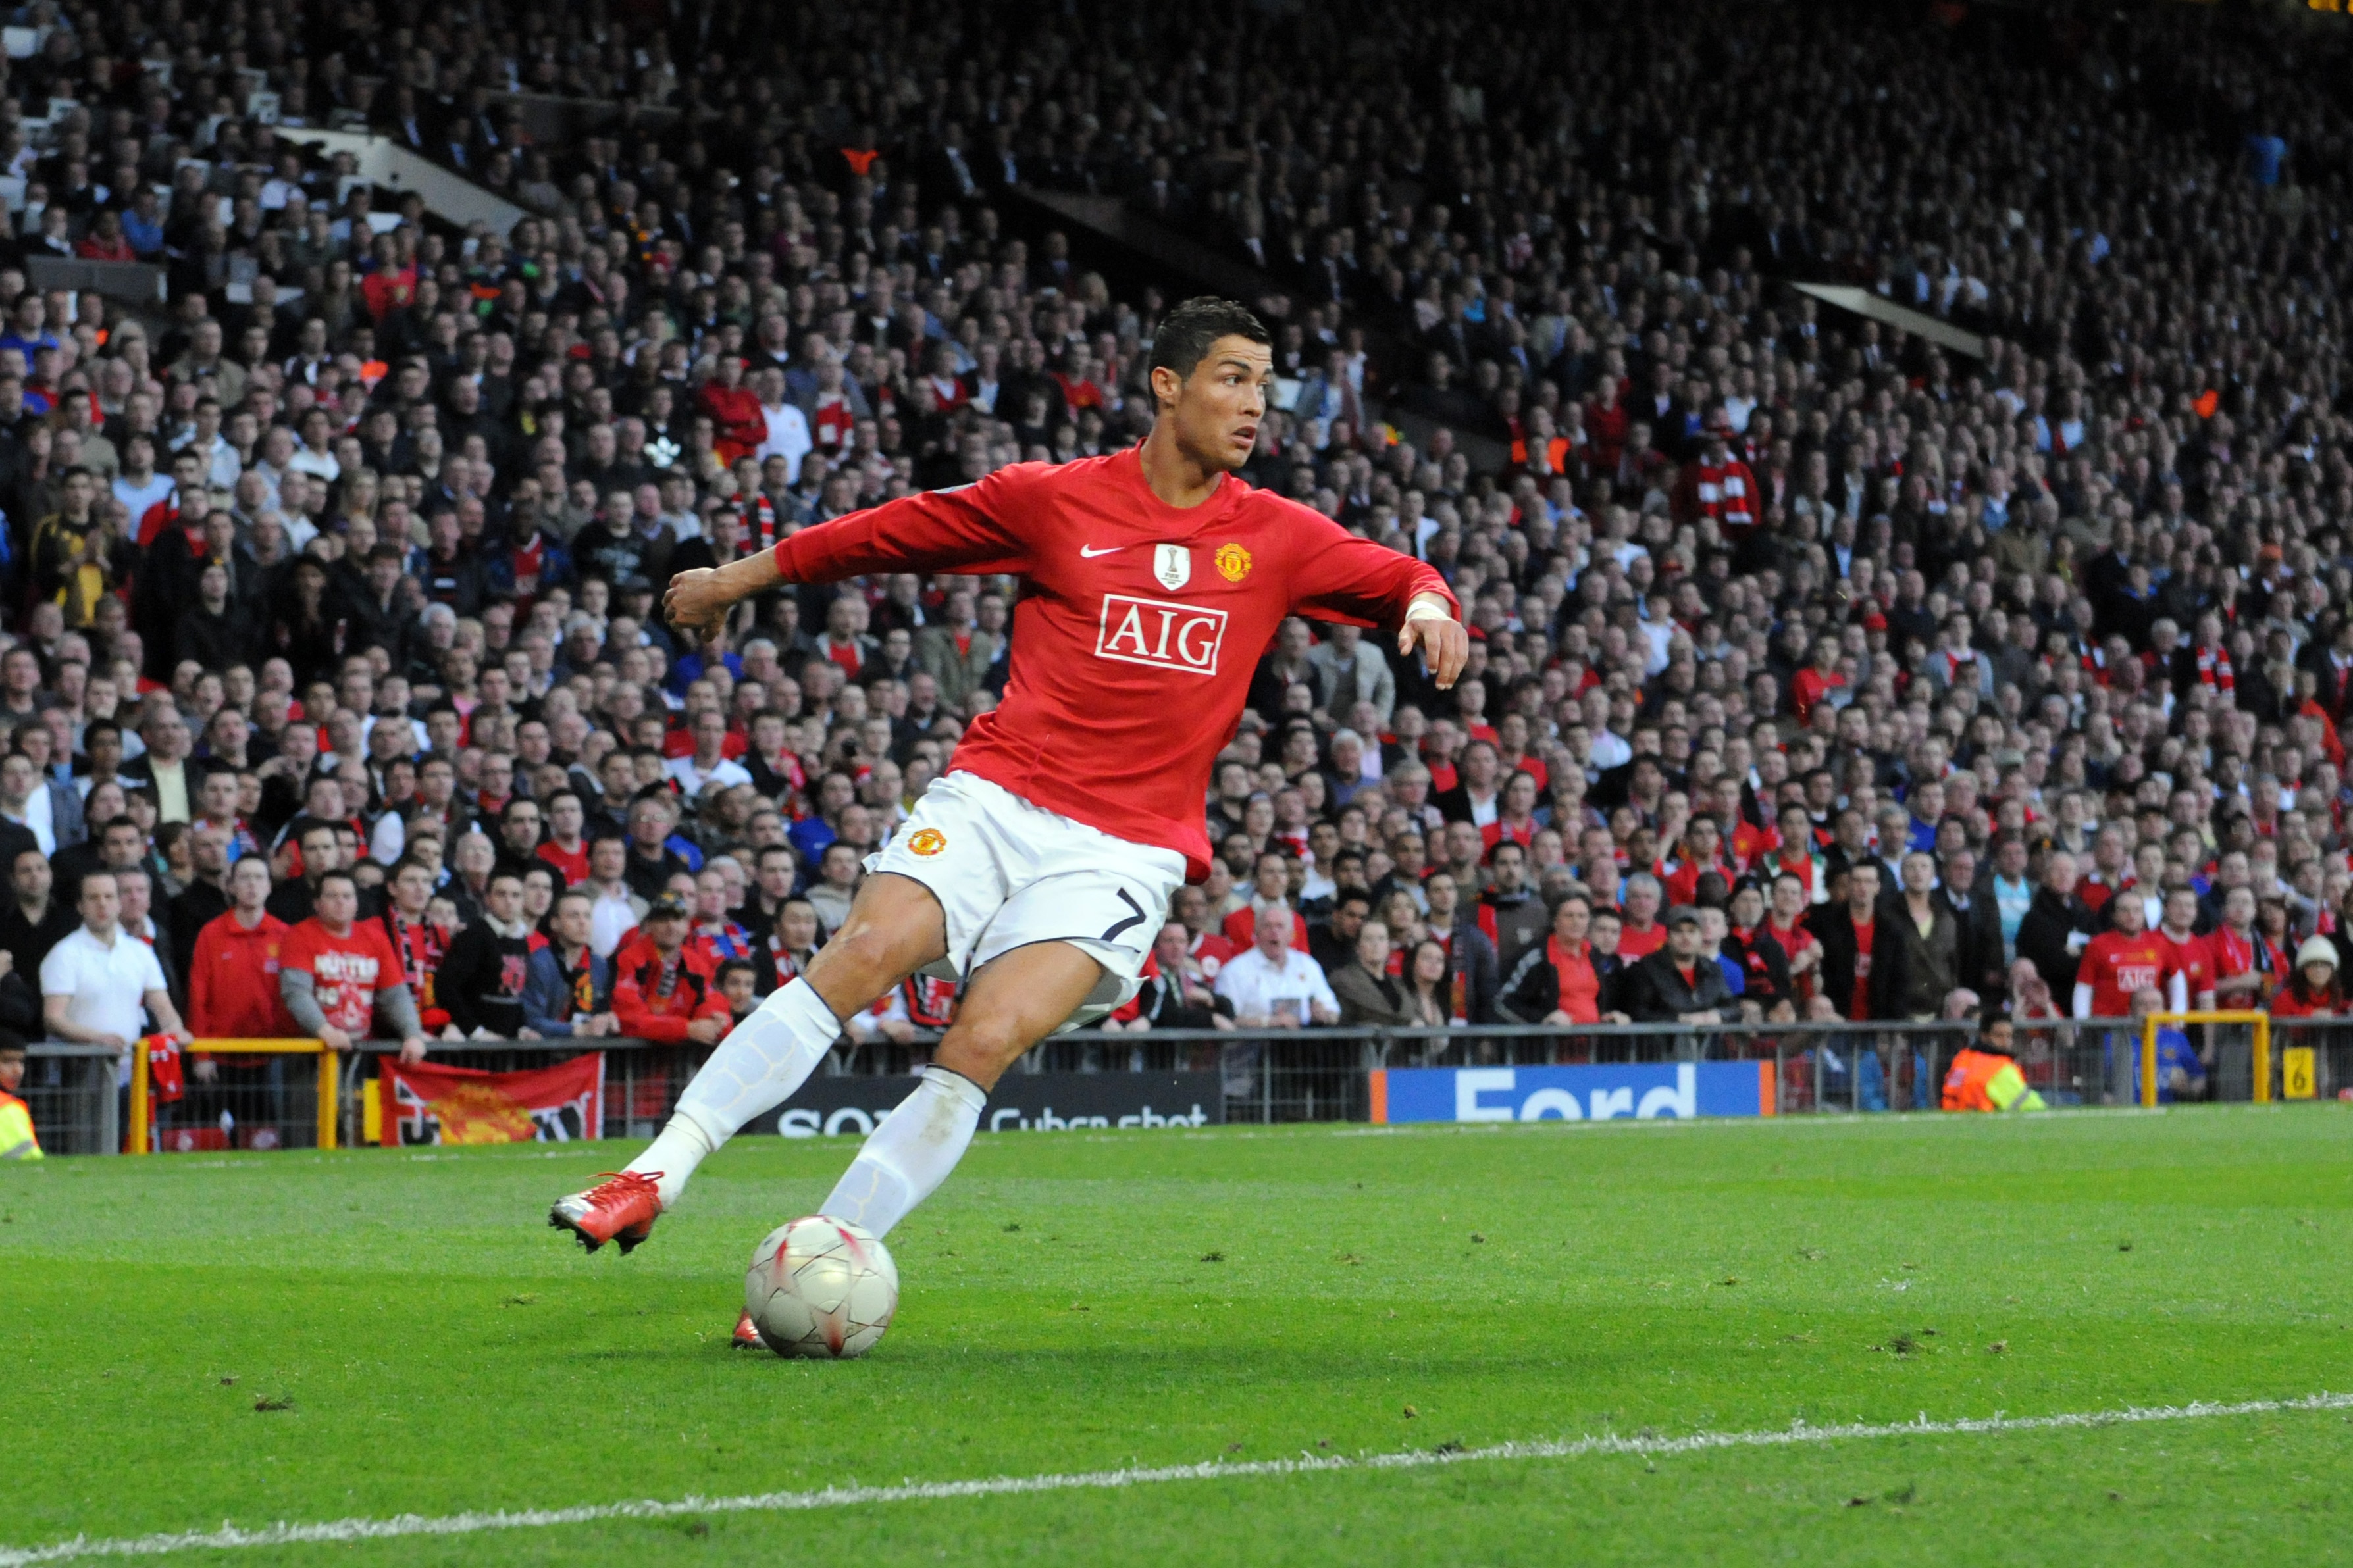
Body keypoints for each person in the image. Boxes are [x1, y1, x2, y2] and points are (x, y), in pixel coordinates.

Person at [554, 296, 1465, 1252]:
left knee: (981, 1040)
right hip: (997, 794)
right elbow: (893, 530)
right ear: (1167, 385)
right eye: (1232, 379)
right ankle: (652, 1172)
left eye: (1263, 388)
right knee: (862, 950)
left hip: (1123, 849)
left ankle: (824, 1256)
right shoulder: (1054, 498)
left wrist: (1431, 603)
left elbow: (1399, 573)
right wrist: (737, 577)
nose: (1253, 406)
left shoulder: (1274, 535)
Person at [40, 871, 192, 1092]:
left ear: (119, 904)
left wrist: (175, 1030)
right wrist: (98, 1039)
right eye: (93, 898)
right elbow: (53, 1018)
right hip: (80, 1074)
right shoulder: (64, 953)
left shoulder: (140, 952)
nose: (102, 904)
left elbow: (165, 1011)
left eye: (109, 897)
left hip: (132, 1074)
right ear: (80, 906)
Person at [278, 871, 428, 1063]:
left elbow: (395, 995)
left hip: (361, 1050)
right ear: (316, 903)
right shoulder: (299, 936)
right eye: (332, 896)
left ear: (356, 903)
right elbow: (296, 993)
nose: (341, 902)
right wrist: (324, 1030)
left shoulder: (375, 938)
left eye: (347, 896)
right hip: (310, 1051)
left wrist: (413, 1034)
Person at [609, 894, 733, 1046]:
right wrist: (687, 1029)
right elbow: (631, 1020)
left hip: (680, 1061)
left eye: (677, 919)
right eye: (663, 919)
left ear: (688, 926)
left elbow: (712, 1002)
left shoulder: (695, 964)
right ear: (649, 925)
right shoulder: (629, 960)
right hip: (634, 1062)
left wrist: (712, 1022)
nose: (671, 926)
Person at [1213, 899, 1343, 1028]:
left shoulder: (1308, 966)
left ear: (1291, 934)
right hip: (1253, 1046)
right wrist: (1269, 1022)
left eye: (1280, 926)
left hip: (1303, 1046)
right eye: (1267, 926)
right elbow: (1226, 1019)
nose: (1274, 932)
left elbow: (1334, 1012)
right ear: (1256, 933)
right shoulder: (1234, 971)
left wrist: (1325, 1015)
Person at [437, 869, 534, 1038]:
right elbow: (446, 986)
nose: (509, 901)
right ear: (488, 899)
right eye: (501, 894)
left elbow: (516, 995)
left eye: (516, 895)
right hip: (476, 1044)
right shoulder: (474, 935)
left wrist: (522, 1028)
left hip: (508, 1041)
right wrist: (476, 1032)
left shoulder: (522, 939)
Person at [521, 890, 617, 1038]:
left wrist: (609, 1019)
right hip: (547, 1054)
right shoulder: (539, 962)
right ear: (555, 924)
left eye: (587, 916)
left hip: (586, 1055)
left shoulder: (599, 965)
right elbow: (532, 1020)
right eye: (574, 916)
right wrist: (579, 1030)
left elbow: (602, 1011)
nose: (582, 922)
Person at [1618, 905, 1734, 1023]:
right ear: (1668, 937)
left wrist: (1719, 1015)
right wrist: (1680, 1019)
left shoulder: (1713, 970)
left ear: (1701, 936)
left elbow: (1733, 1008)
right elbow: (1637, 1013)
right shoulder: (1646, 969)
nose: (1686, 937)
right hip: (1660, 1041)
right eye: (1678, 931)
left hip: (1706, 1041)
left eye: (1692, 931)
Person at [1940, 1016, 2049, 1113]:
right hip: (1981, 1123)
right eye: (1999, 1035)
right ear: (1985, 1036)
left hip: (1949, 1118)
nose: (2005, 1042)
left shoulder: (1963, 1057)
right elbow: (2033, 1106)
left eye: (2009, 1036)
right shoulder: (2000, 1067)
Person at [1330, 917, 1415, 1026]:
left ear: (1388, 946)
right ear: (1358, 947)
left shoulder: (1399, 983)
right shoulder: (1343, 979)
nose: (1375, 944)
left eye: (1381, 939)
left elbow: (1408, 1014)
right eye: (1369, 939)